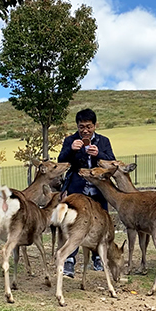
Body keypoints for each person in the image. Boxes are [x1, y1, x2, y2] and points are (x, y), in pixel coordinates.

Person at [58, 108, 116, 278]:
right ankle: (69, 259)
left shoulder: (104, 141)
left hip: (99, 189)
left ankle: (98, 257)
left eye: (88, 126)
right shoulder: (70, 140)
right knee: (74, 223)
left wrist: (100, 154)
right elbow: (61, 161)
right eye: (81, 126)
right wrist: (71, 150)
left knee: (101, 222)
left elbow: (112, 161)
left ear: (95, 126)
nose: (85, 130)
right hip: (77, 188)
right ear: (77, 126)